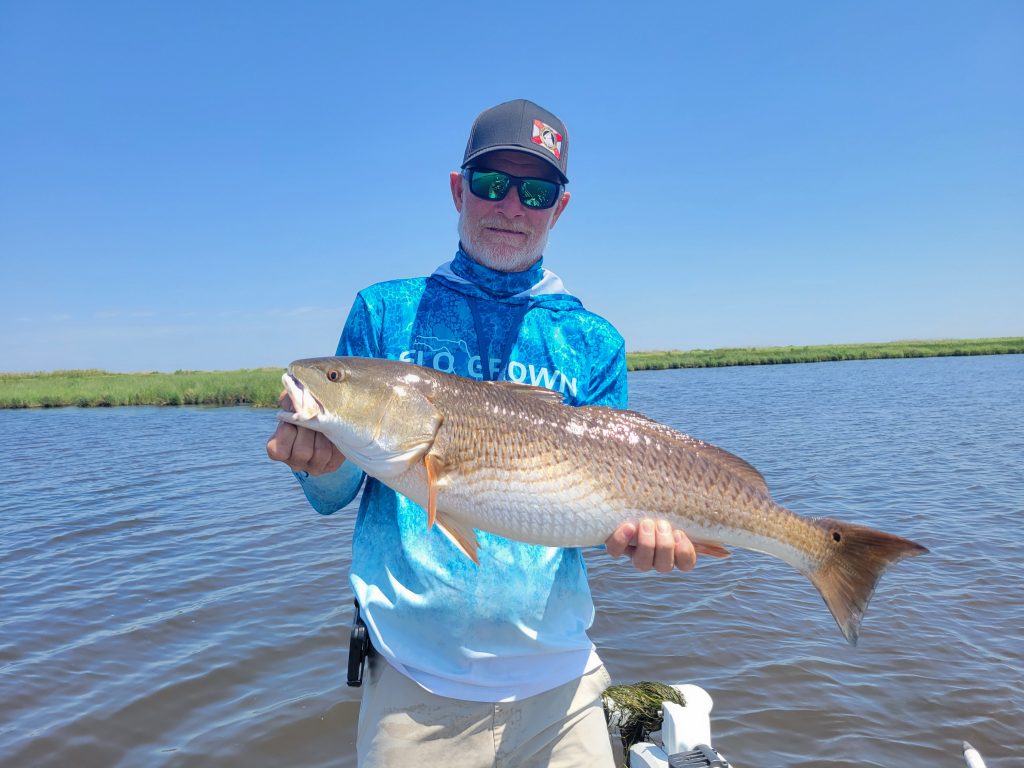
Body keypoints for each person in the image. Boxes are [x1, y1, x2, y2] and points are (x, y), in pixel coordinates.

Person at [266, 99, 704, 767]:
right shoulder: (385, 314)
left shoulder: (592, 341)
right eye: (492, 184)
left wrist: (644, 537)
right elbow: (331, 499)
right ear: (457, 190)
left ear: (560, 208)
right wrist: (316, 461)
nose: (511, 207)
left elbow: (607, 515)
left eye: (536, 191)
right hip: (416, 688)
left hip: (564, 687)